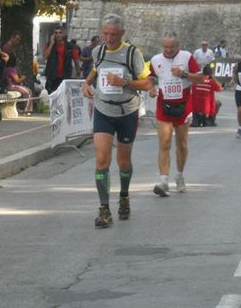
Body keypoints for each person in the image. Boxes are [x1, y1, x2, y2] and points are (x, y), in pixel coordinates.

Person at [82, 13, 149, 228]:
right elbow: (95, 69)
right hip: (103, 110)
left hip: (127, 112)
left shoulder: (132, 54)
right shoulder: (98, 51)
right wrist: (86, 83)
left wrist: (124, 82)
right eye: (106, 33)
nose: (109, 38)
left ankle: (124, 196)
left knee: (123, 161)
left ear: (122, 34)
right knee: (102, 160)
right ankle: (104, 209)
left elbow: (147, 83)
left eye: (113, 34)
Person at [149, 30, 203, 197]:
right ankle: (164, 181)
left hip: (183, 106)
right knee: (164, 142)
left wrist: (184, 74)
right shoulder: (156, 59)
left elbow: (200, 79)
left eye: (172, 47)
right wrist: (151, 87)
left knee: (182, 144)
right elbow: (150, 77)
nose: (168, 50)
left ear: (178, 46)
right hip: (164, 106)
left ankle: (179, 176)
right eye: (165, 47)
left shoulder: (187, 57)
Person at [43, 26, 80, 92]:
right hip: (52, 76)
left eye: (60, 33)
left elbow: (76, 61)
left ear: (63, 34)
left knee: (64, 96)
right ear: (53, 35)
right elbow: (45, 57)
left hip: (65, 76)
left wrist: (78, 74)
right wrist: (51, 44)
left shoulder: (70, 46)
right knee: (52, 96)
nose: (58, 35)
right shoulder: (49, 45)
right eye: (56, 33)